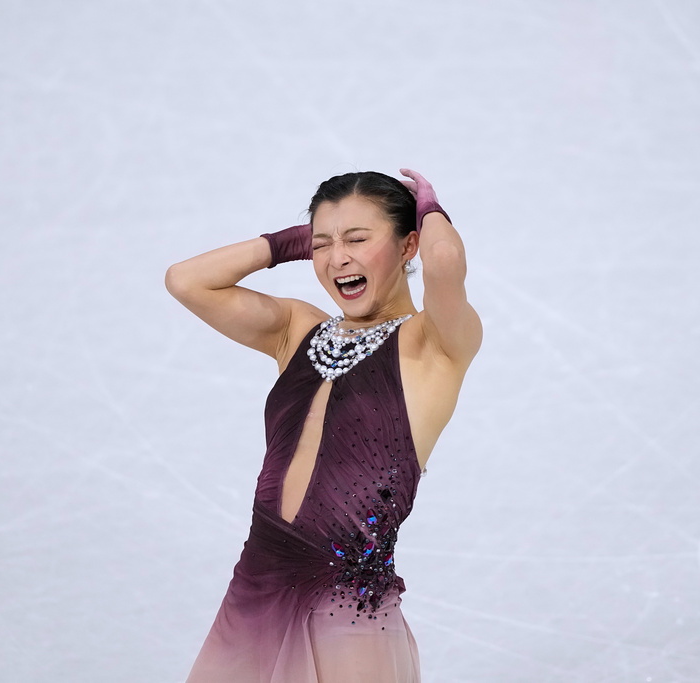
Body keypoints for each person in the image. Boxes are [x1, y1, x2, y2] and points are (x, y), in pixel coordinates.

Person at [164, 168, 482, 682]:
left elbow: (444, 260)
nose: (337, 259)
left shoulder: (432, 345)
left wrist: (430, 209)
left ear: (408, 246)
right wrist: (291, 243)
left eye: (357, 239)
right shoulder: (296, 329)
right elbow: (186, 280)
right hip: (257, 585)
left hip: (349, 610)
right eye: (322, 246)